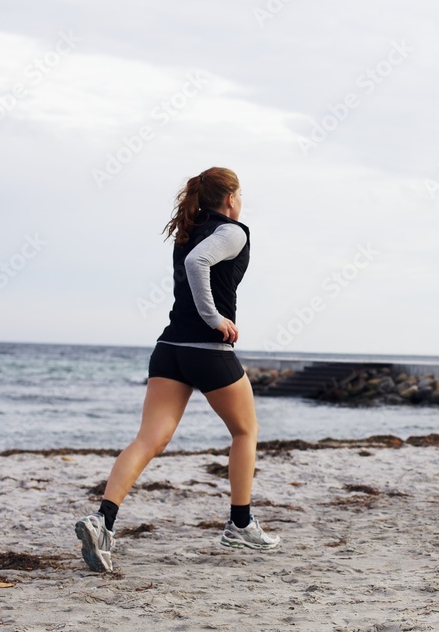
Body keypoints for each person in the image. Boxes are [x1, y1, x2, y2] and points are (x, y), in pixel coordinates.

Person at [75, 167, 280, 573]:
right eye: (241, 195)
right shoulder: (233, 231)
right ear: (231, 198)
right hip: (207, 350)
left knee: (149, 439)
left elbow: (193, 258)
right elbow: (197, 263)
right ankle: (240, 523)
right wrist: (214, 317)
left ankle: (103, 522)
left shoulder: (189, 227)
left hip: (169, 349)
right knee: (245, 431)